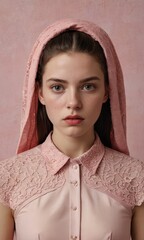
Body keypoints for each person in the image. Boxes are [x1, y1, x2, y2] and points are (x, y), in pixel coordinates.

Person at [0, 19, 144, 240]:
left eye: (88, 86)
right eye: (57, 87)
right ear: (39, 93)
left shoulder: (136, 177)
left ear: (106, 91)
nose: (73, 102)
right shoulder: (9, 177)